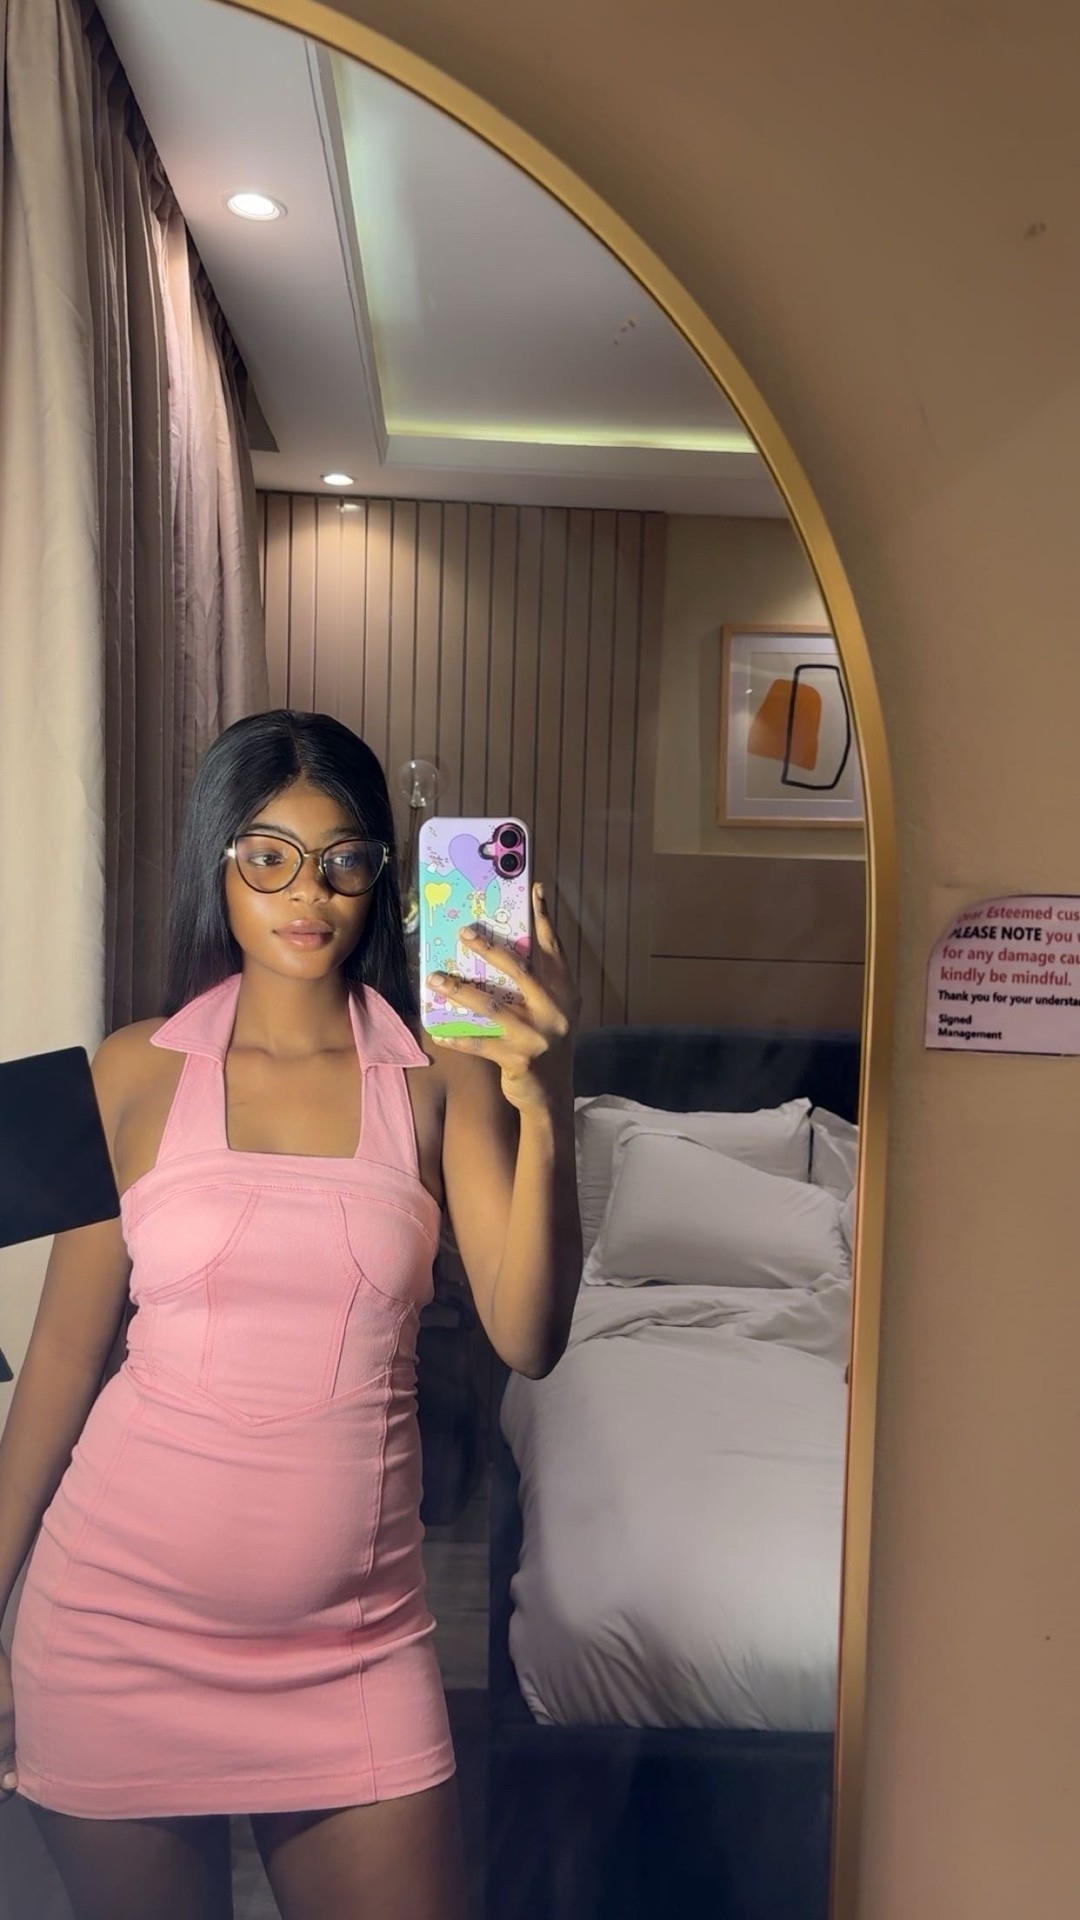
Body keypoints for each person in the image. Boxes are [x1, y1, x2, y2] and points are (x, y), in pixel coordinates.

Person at [0, 710, 582, 1920]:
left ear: (382, 876)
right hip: (111, 1637)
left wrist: (549, 1102)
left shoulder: (442, 1075)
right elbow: (58, 1364)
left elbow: (529, 1335)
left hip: (355, 1652)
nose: (306, 893)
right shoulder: (127, 1071)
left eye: (341, 859)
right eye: (268, 856)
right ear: (217, 864)